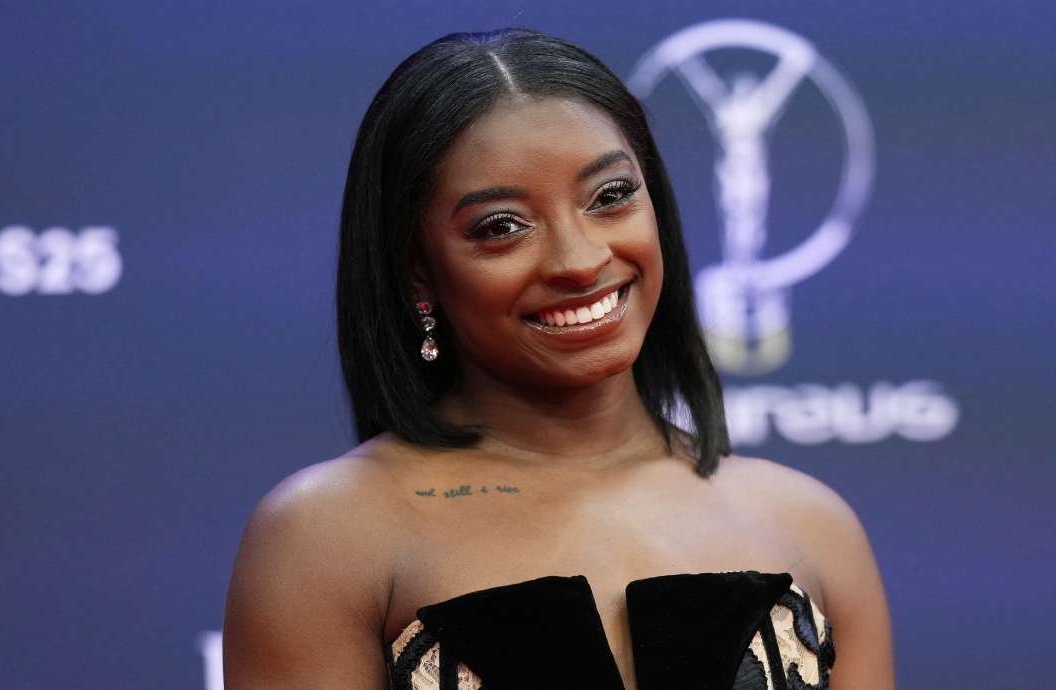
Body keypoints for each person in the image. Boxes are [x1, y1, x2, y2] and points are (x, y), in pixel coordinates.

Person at [222, 28, 894, 690]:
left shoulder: (808, 524)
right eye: (501, 228)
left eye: (611, 196)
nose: (580, 260)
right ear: (417, 274)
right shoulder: (326, 537)